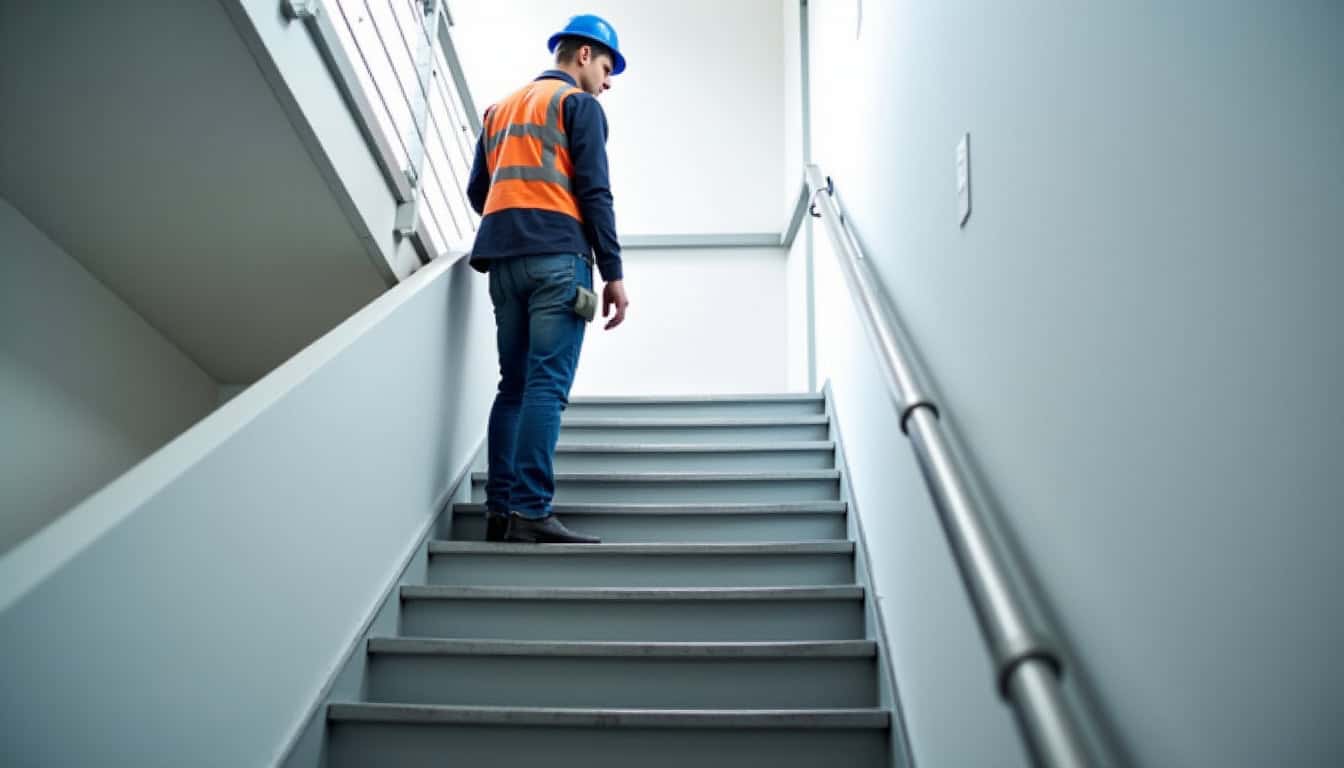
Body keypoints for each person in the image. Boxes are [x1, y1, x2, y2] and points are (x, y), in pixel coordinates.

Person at [466, 14, 630, 543]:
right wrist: (614, 274)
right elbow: (596, 193)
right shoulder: (576, 105)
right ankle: (532, 510)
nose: (607, 83)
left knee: (511, 387)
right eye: (607, 68)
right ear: (583, 55)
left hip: (503, 262)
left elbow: (479, 192)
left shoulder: (498, 110)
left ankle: (499, 511)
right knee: (545, 389)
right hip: (558, 259)